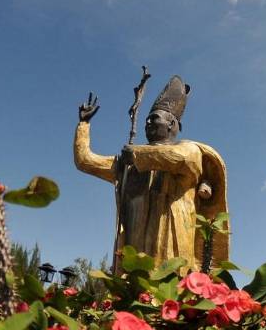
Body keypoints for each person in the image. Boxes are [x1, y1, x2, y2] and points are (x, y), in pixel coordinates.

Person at [73, 75, 228, 273]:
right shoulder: (128, 163)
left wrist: (137, 153)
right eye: (146, 119)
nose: (147, 123)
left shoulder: (189, 150)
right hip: (135, 241)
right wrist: (83, 124)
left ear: (172, 124)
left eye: (154, 119)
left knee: (172, 287)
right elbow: (85, 161)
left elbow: (178, 158)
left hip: (172, 239)